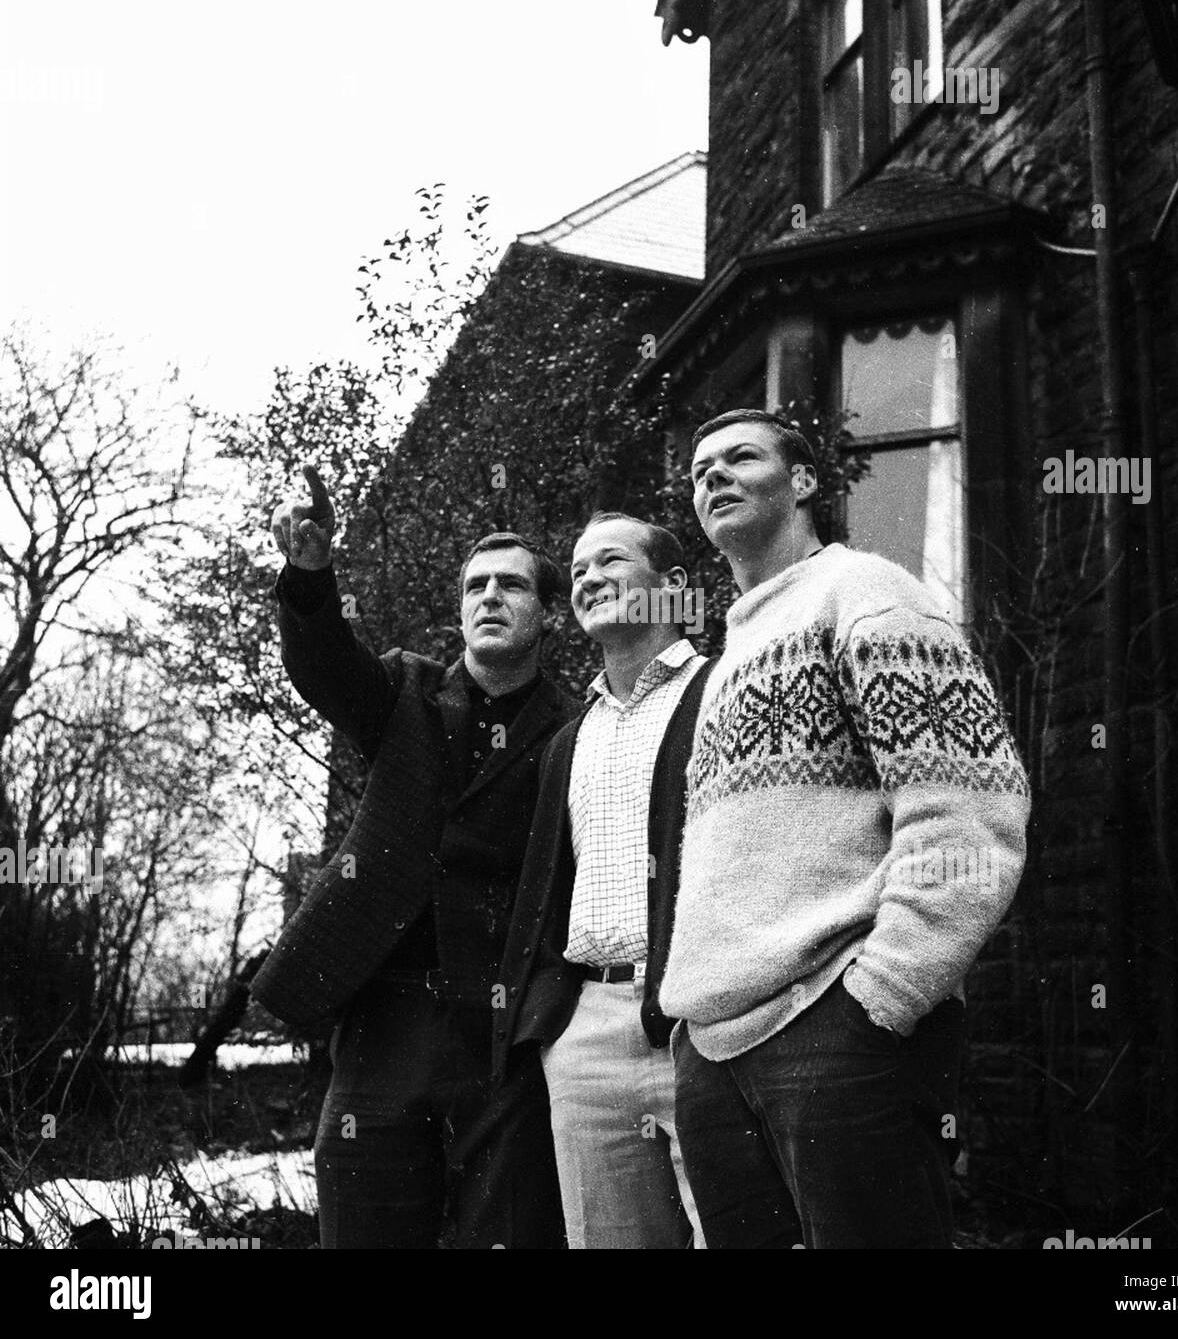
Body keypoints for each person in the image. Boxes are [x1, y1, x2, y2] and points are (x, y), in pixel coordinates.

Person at [659, 409, 1032, 1249]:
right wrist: (691, 1038)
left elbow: (968, 811)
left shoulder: (866, 593)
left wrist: (883, 996)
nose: (711, 477)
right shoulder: (724, 664)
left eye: (740, 458)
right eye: (698, 470)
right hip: (713, 1053)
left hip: (835, 1031)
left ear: (803, 482)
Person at [250, 465, 576, 1249]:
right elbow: (324, 666)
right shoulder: (403, 692)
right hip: (383, 1021)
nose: (489, 597)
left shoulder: (580, 725)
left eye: (511, 586)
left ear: (551, 617)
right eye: (475, 587)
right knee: (365, 1227)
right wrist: (308, 577)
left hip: (504, 1032)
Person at [495, 512, 713, 1248]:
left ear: (672, 587)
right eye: (578, 569)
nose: (586, 578)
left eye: (609, 562)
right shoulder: (568, 737)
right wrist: (549, 1023)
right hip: (585, 1030)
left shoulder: (722, 694)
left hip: (704, 1020)